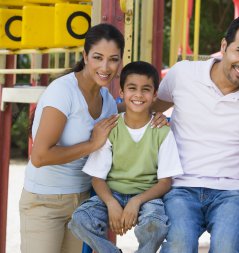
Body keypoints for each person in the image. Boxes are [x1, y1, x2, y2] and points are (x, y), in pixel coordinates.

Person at [154, 15, 239, 253]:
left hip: (233, 191)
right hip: (181, 186)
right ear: (223, 46)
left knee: (226, 247)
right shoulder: (183, 74)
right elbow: (147, 106)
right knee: (179, 243)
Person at [19, 23, 125, 253]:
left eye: (113, 59)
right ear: (85, 56)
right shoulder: (63, 91)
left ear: (120, 62)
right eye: (98, 57)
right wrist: (91, 144)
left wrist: (157, 118)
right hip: (44, 202)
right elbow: (39, 156)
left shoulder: (108, 103)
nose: (105, 67)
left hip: (82, 203)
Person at [68, 61, 183, 253]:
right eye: (132, 88)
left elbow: (165, 182)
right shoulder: (111, 128)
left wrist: (136, 201)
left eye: (145, 89)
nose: (138, 95)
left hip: (147, 196)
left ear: (155, 95)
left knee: (155, 226)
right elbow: (97, 177)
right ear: (121, 93)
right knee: (80, 220)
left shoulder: (162, 131)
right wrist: (111, 203)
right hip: (112, 193)